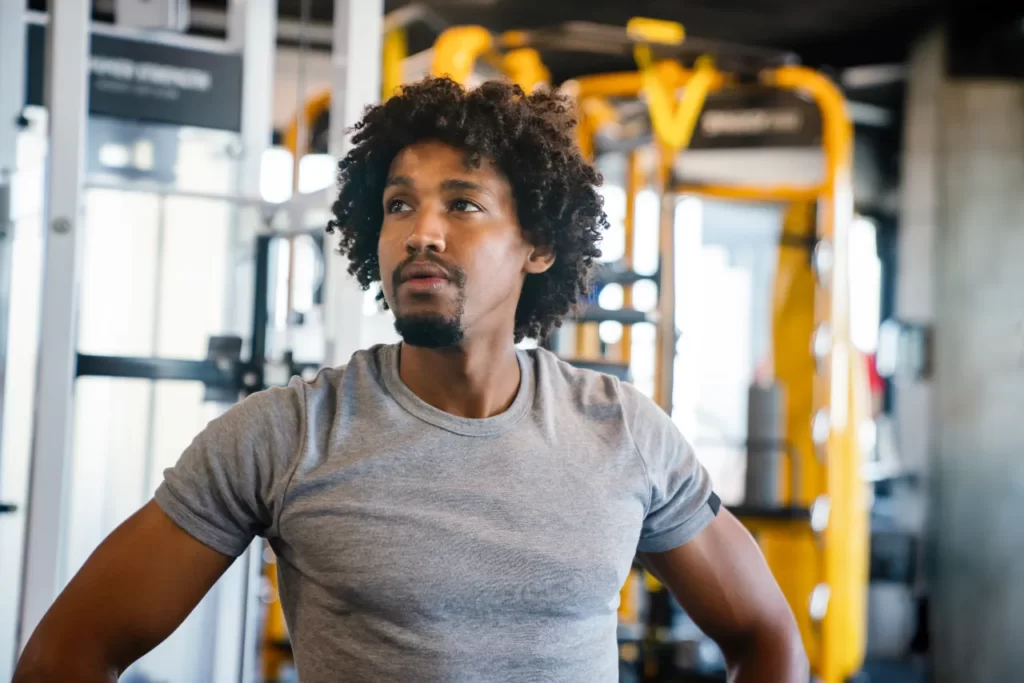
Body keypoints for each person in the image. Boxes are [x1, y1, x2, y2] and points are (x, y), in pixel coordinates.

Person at [15, 77, 806, 683]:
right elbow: (66, 655)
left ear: (537, 245)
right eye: (399, 205)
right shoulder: (286, 434)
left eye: (462, 204)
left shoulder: (623, 430)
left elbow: (766, 634)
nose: (421, 231)